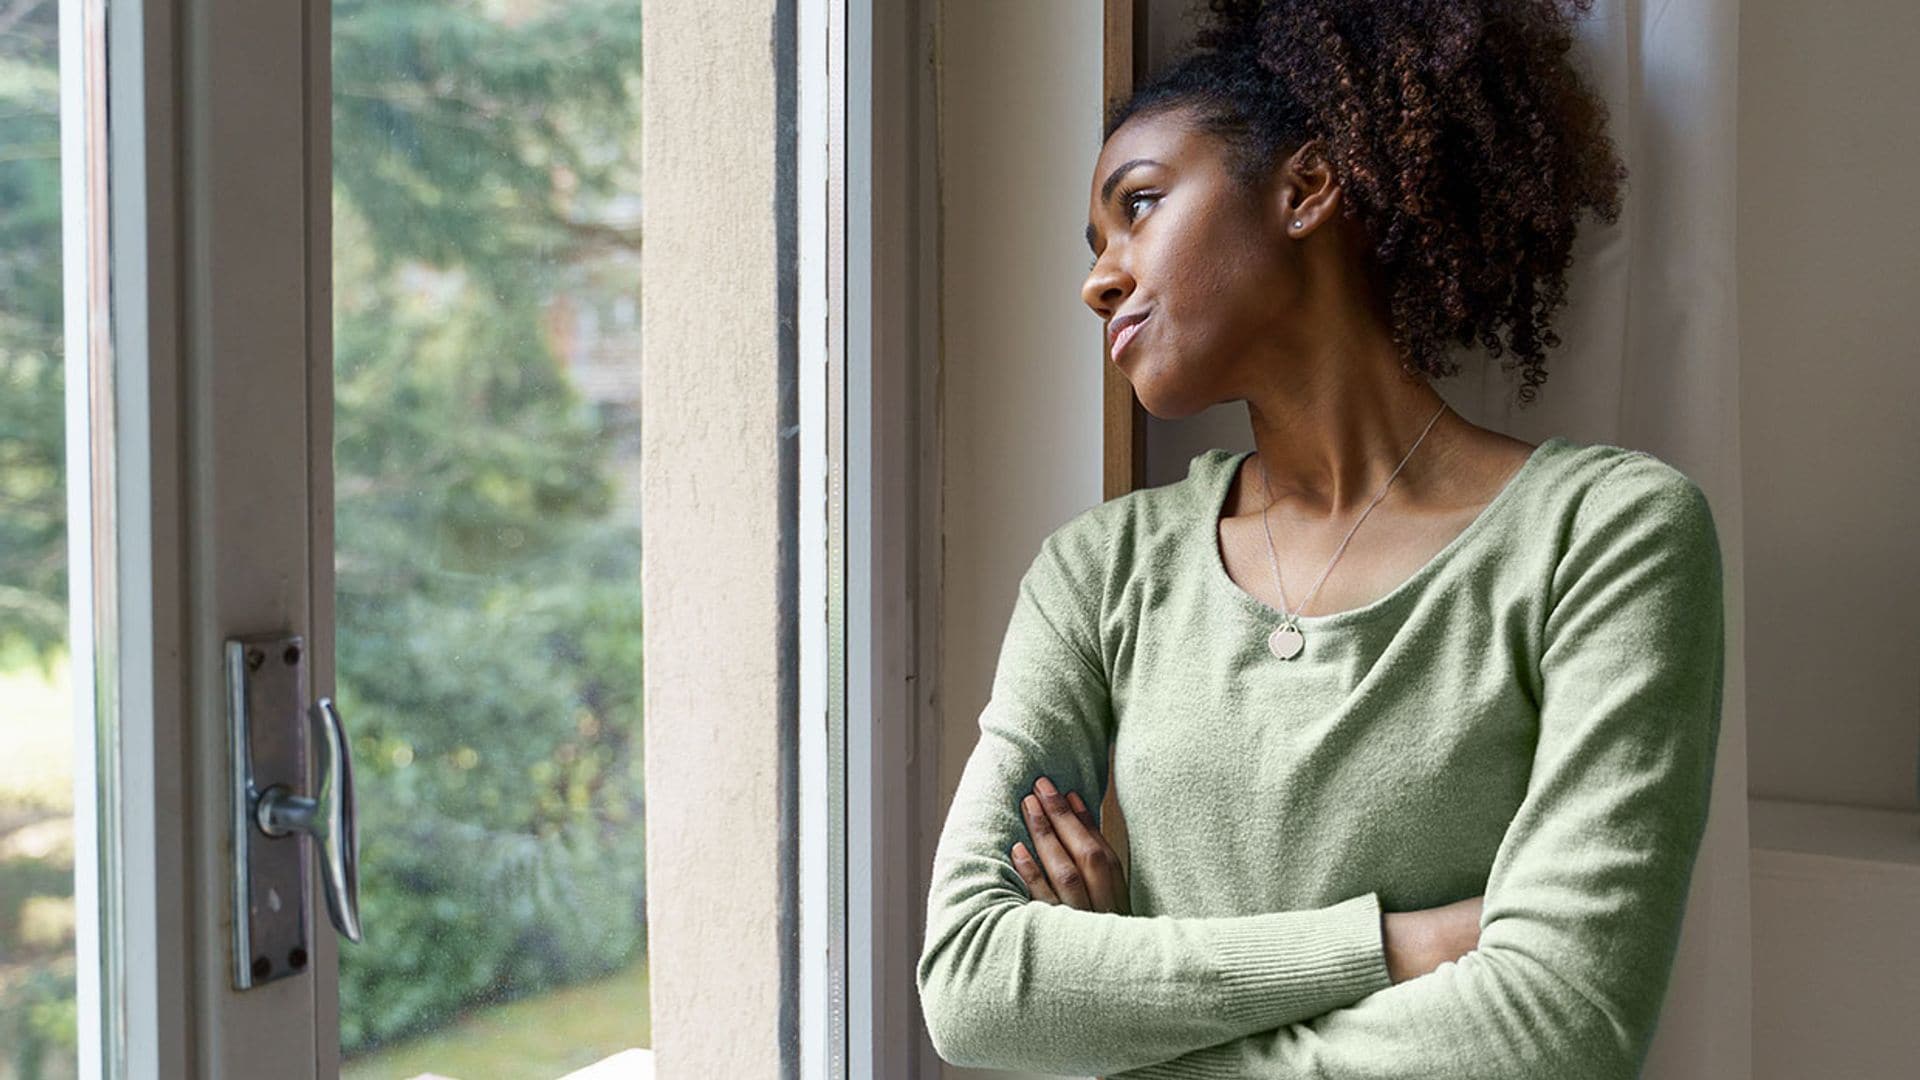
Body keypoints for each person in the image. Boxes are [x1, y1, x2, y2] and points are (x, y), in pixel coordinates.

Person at [915, 2, 1725, 1079]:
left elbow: (1555, 1027)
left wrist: (1124, 1010)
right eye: (1098, 244)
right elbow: (972, 985)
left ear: (1305, 188)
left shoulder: (1606, 537)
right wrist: (1397, 946)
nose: (1098, 278)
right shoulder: (1097, 573)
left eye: (1139, 206)